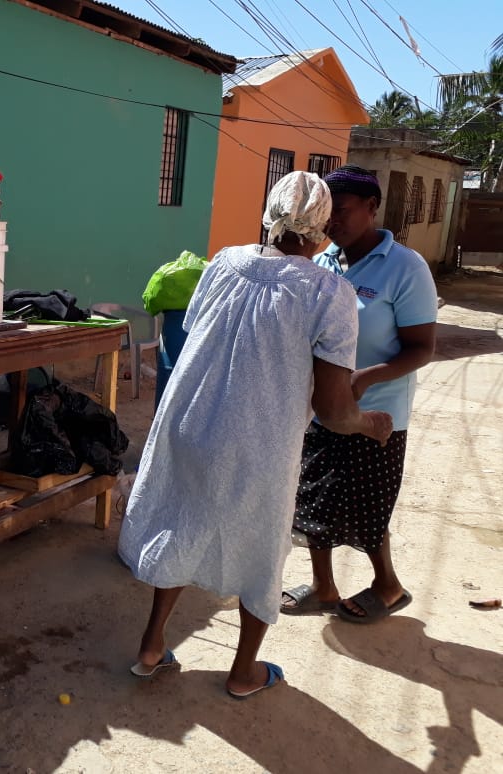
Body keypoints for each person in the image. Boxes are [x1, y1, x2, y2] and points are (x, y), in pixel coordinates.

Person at [118, 171, 393, 699]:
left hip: (190, 422)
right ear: (322, 232)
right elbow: (333, 409)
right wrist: (368, 422)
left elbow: (200, 331)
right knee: (261, 552)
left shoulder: (223, 262)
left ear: (267, 218)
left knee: (183, 522)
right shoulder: (328, 292)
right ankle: (244, 672)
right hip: (257, 442)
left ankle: (151, 648)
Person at [281, 165, 437, 623]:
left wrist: (364, 378)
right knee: (313, 501)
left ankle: (387, 586)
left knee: (369, 505)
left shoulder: (405, 267)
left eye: (343, 211)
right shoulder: (324, 261)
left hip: (378, 412)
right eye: (329, 214)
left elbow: (421, 349)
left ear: (372, 208)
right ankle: (323, 587)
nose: (334, 223)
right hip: (321, 408)